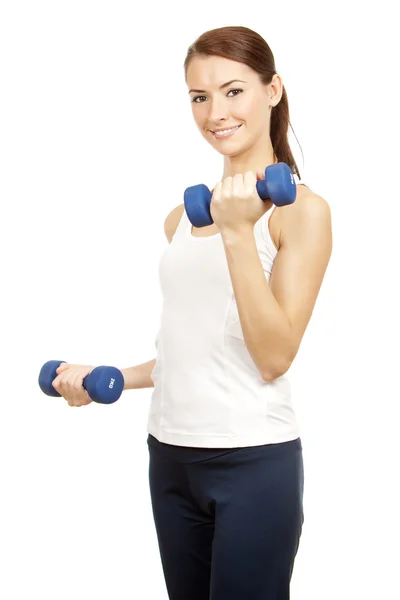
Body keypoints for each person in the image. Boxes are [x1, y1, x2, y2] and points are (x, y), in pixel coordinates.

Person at [53, 25, 332, 600]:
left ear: (272, 90)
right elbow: (191, 350)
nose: (215, 113)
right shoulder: (179, 220)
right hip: (169, 456)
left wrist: (236, 233)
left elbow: (274, 355)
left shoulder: (299, 212)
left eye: (233, 91)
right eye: (199, 97)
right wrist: (104, 375)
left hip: (252, 462)